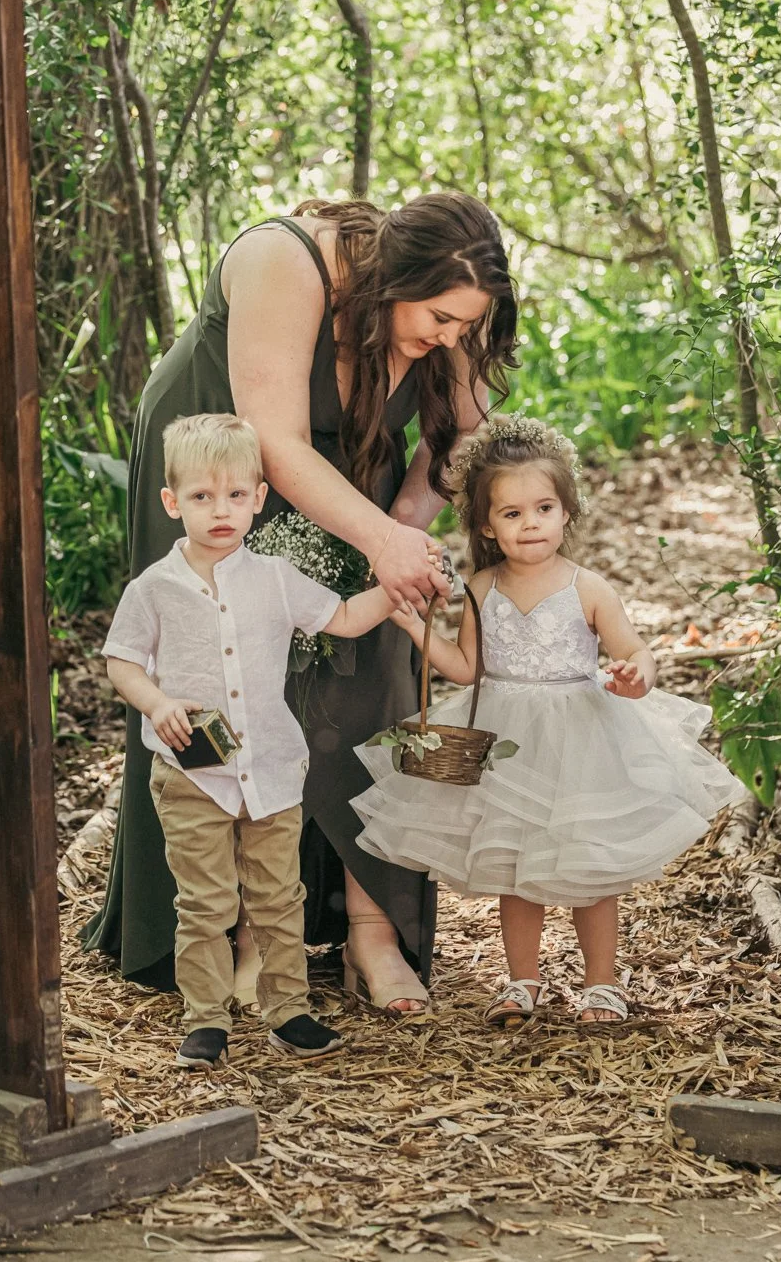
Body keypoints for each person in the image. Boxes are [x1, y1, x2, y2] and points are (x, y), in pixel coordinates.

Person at [84, 195, 518, 1015]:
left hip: (347, 468)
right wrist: (379, 540)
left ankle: (371, 931)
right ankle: (235, 927)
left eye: (466, 325)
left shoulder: (449, 311)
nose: (451, 338)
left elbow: (462, 433)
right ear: (395, 278)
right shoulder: (285, 262)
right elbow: (274, 441)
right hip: (222, 466)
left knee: (376, 660)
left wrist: (400, 528)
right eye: (439, 319)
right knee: (228, 664)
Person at [352, 416, 745, 1027]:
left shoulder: (588, 588)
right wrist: (411, 626)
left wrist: (635, 676)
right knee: (515, 866)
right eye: (512, 514)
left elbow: (634, 651)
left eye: (543, 508)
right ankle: (522, 980)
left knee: (591, 868)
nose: (530, 523)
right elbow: (466, 669)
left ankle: (601, 984)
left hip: (580, 738)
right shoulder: (482, 587)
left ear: (566, 512)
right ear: (487, 525)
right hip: (508, 745)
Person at [102, 414, 402, 1069]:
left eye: (237, 495)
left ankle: (288, 1011)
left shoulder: (275, 578)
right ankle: (206, 1020)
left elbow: (344, 617)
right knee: (205, 902)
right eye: (203, 496)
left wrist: (397, 589)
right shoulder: (154, 589)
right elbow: (121, 660)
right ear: (172, 502)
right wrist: (157, 702)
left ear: (259, 499)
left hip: (270, 768)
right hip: (192, 776)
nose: (221, 510)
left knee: (278, 898)